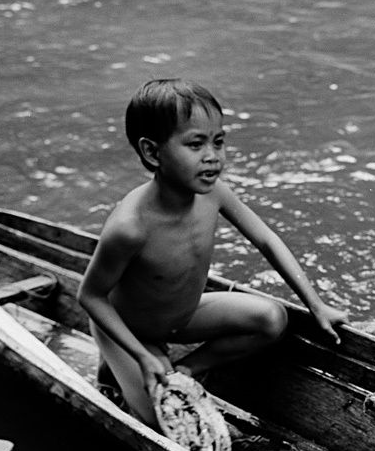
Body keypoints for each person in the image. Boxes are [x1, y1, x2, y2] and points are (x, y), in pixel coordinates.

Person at [78, 78, 348, 426]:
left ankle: (190, 367)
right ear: (152, 152)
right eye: (195, 144)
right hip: (130, 330)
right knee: (161, 426)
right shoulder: (130, 226)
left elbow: (266, 239)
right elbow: (91, 296)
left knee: (272, 319)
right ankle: (118, 367)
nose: (213, 157)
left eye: (218, 142)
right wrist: (142, 355)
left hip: (182, 316)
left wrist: (316, 305)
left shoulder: (214, 193)